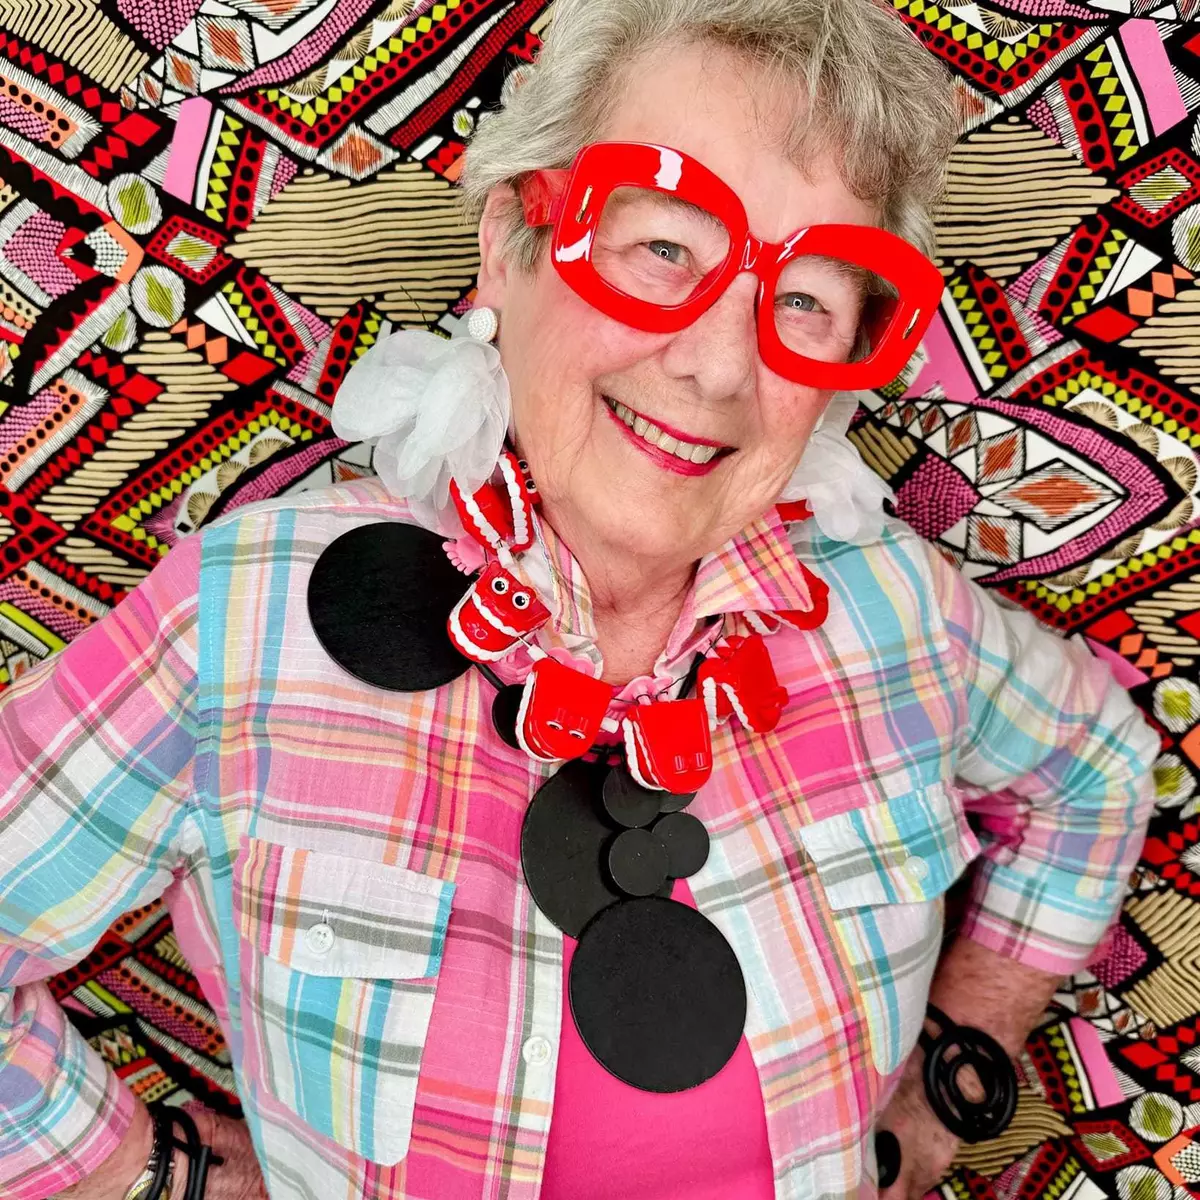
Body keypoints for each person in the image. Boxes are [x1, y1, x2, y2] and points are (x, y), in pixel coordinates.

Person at [0, 0, 1159, 1197]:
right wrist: (150, 1172)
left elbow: (1099, 771)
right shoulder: (242, 624)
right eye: (663, 247)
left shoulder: (897, 612)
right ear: (510, 241)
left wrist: (950, 1083)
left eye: (806, 300)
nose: (720, 364)